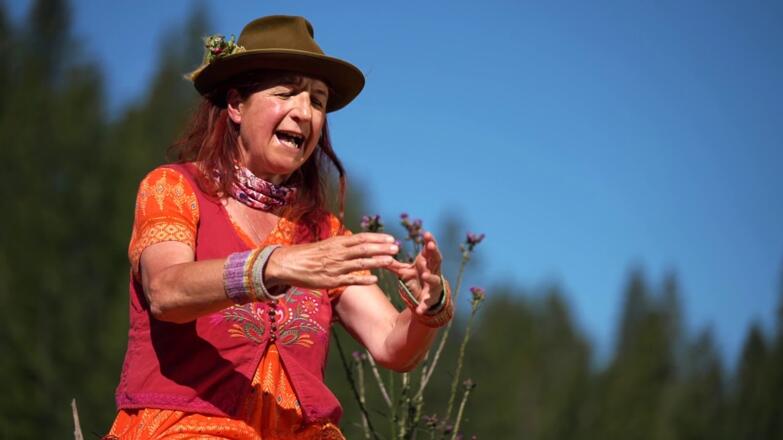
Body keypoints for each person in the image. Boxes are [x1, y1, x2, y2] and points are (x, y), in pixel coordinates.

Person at [105, 15, 453, 440]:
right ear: (236, 105)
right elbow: (166, 291)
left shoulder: (323, 233)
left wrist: (428, 307)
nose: (304, 113)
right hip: (188, 428)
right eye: (286, 93)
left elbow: (392, 346)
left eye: (318, 101)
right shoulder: (175, 189)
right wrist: (275, 265)